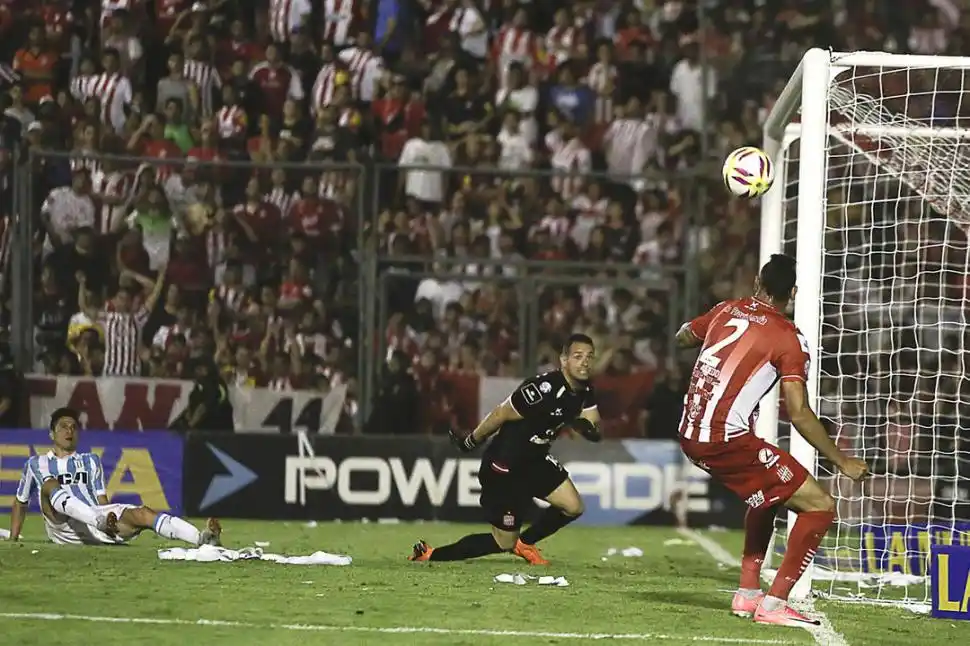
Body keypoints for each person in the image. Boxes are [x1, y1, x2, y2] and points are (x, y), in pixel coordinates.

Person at [675, 254, 869, 628]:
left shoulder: (724, 309)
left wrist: (693, 330)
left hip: (691, 432)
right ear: (792, 293)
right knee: (819, 505)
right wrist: (841, 460)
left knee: (769, 493)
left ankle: (749, 592)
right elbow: (797, 413)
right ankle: (775, 603)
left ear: (756, 284)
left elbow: (684, 336)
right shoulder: (788, 339)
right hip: (722, 439)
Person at [409, 333, 602, 565]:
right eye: (578, 356)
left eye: (589, 356)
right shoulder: (541, 389)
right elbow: (501, 414)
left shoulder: (584, 390)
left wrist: (589, 429)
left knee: (573, 506)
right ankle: (430, 555)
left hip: (536, 460)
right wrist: (471, 440)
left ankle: (526, 543)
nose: (585, 362)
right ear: (563, 360)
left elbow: (592, 420)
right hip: (505, 464)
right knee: (503, 543)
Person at [7, 407, 223, 546]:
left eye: (73, 427)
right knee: (50, 485)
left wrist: (111, 521)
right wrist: (14, 539)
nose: (69, 431)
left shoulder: (90, 460)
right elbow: (20, 502)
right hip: (62, 527)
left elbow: (102, 502)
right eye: (63, 427)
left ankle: (202, 538)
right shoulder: (35, 463)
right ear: (51, 433)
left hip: (95, 520)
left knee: (143, 513)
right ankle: (99, 522)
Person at [171, 359, 235, 432]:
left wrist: (190, 425)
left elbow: (203, 407)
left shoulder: (213, 384)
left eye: (200, 369)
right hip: (211, 426)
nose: (197, 372)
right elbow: (191, 404)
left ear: (207, 369)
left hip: (216, 427)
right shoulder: (200, 385)